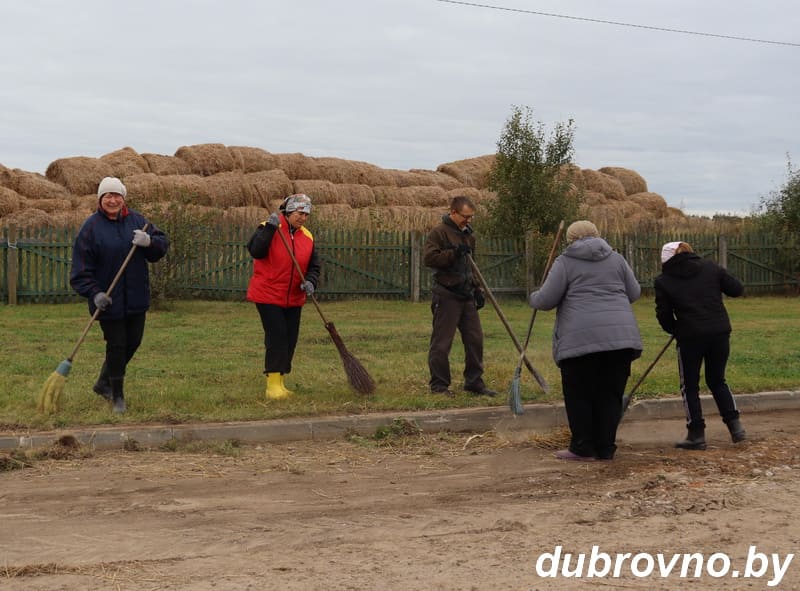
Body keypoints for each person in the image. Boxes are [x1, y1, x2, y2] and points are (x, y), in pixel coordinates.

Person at [529, 220, 642, 461]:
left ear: (570, 239)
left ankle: (582, 448)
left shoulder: (565, 262)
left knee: (579, 394)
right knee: (610, 394)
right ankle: (606, 448)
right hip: (620, 340)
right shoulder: (617, 259)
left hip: (580, 341)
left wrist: (534, 297)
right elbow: (634, 293)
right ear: (597, 234)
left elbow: (546, 300)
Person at [70, 176, 169, 414]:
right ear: (100, 199)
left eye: (116, 196)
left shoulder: (138, 221)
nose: (112, 200)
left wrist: (150, 242)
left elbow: (161, 245)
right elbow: (80, 271)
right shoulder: (91, 228)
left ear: (123, 198)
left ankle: (103, 382)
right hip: (108, 301)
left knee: (133, 341)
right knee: (116, 345)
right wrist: (95, 293)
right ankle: (117, 396)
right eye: (108, 196)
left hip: (136, 298)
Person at [655, 241, 746, 450]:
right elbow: (736, 289)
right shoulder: (711, 268)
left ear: (666, 260)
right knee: (717, 380)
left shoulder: (664, 281)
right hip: (719, 332)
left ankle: (696, 434)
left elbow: (663, 314)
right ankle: (735, 427)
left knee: (689, 386)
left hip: (690, 337)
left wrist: (675, 329)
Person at [246, 194, 320, 400]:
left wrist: (311, 282)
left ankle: (280, 382)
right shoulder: (268, 227)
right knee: (277, 336)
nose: (303, 218)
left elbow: (314, 267)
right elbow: (256, 251)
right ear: (287, 211)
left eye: (306, 214)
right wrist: (270, 228)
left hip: (294, 297)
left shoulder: (307, 237)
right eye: (299, 213)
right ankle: (272, 386)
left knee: (290, 339)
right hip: (268, 294)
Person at [423, 195, 494, 397]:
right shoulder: (439, 233)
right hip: (446, 295)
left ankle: (474, 382)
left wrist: (477, 289)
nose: (468, 220)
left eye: (471, 217)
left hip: (466, 295)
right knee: (442, 343)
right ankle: (439, 386)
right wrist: (453, 253)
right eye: (465, 216)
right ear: (453, 212)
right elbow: (429, 259)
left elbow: (471, 267)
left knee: (475, 340)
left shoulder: (469, 235)